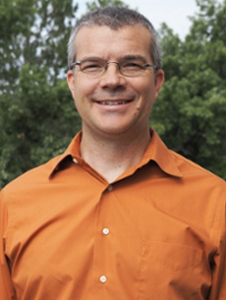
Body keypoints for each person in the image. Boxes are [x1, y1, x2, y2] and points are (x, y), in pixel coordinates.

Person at [0, 6, 225, 300]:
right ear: (72, 82)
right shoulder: (12, 205)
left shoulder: (215, 203)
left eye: (131, 64)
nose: (112, 80)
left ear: (157, 82)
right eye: (93, 66)